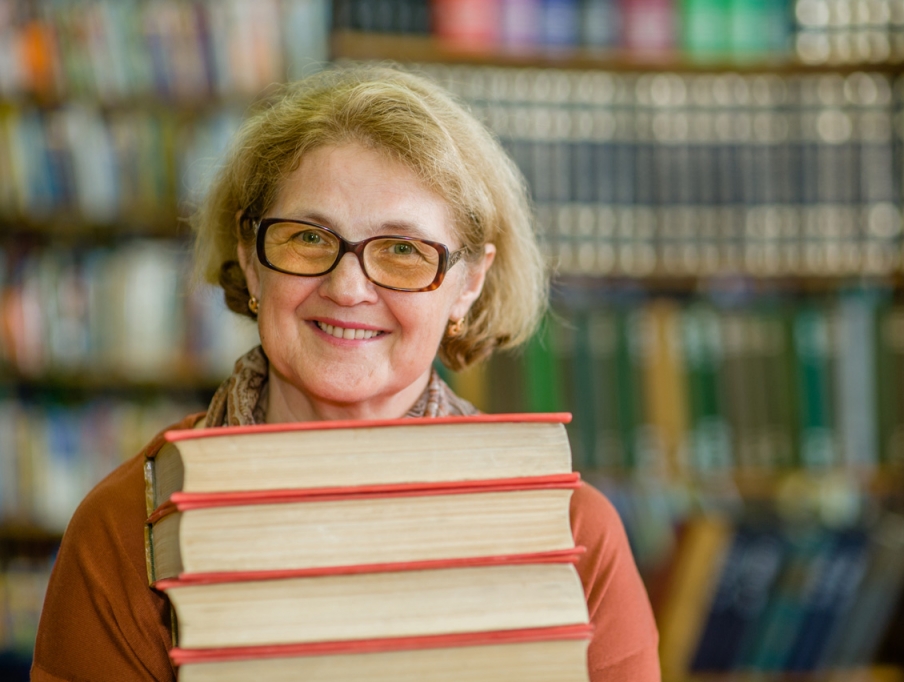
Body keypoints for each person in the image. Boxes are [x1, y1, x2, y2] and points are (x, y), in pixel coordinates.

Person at [31, 65, 660, 682]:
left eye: (403, 250)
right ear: (252, 262)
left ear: (468, 285)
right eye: (308, 238)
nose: (348, 287)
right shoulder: (125, 529)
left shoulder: (574, 535)